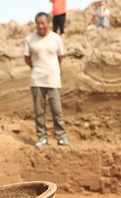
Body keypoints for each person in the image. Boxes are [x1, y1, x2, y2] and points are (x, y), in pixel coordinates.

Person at [24, 12, 69, 148]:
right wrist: (37, 68)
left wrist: (52, 69)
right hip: (37, 79)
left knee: (57, 110)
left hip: (53, 79)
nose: (41, 26)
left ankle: (61, 137)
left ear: (48, 23)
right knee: (39, 111)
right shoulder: (30, 39)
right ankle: (42, 137)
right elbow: (27, 58)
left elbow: (60, 57)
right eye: (38, 23)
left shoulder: (56, 38)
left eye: (43, 23)